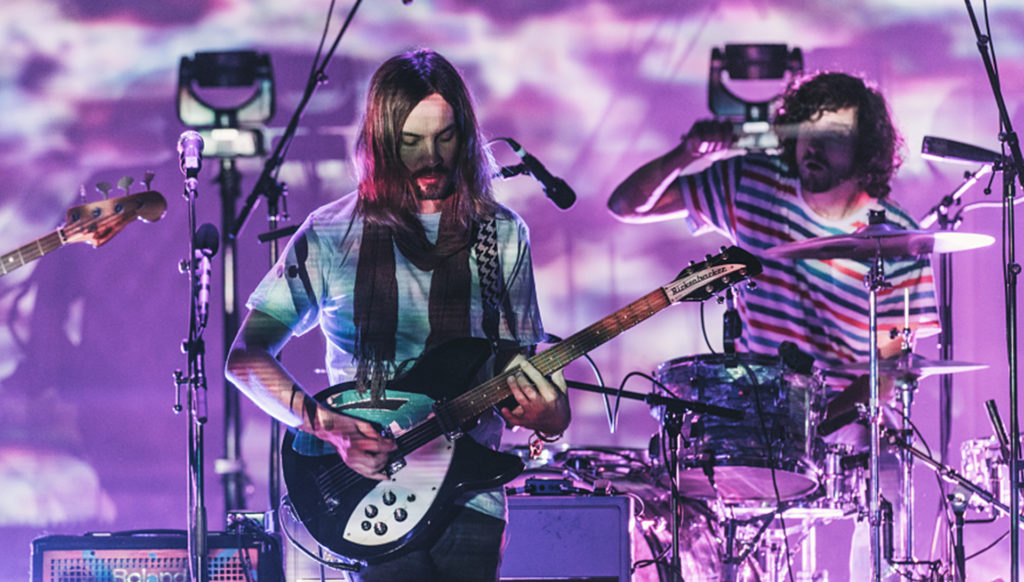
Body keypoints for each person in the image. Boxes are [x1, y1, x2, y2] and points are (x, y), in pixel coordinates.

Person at [226, 48, 570, 582]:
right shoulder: (331, 232)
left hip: (471, 500)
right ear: (382, 143)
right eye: (410, 142)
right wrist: (329, 427)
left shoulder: (501, 234)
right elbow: (245, 359)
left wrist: (549, 418)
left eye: (445, 137)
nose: (430, 158)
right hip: (370, 495)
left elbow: (520, 375)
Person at [607, 71, 938, 579]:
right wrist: (688, 154)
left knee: (888, 496)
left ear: (865, 146)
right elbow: (626, 205)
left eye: (832, 137)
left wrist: (817, 423)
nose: (813, 148)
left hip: (851, 432)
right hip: (757, 430)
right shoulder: (751, 185)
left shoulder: (897, 241)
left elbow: (892, 370)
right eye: (806, 133)